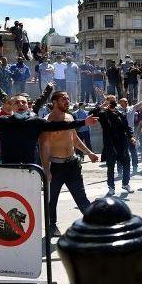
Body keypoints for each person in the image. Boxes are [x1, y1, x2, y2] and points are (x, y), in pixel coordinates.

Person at [0, 94, 98, 164]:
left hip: (30, 169)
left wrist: (83, 122)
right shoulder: (2, 121)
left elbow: (58, 125)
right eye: (16, 103)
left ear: (28, 106)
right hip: (9, 168)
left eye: (23, 102)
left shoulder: (35, 122)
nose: (20, 104)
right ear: (11, 107)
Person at [39, 91, 98, 237]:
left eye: (67, 98)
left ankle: (94, 225)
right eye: (63, 99)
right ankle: (52, 226)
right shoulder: (46, 122)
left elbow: (75, 139)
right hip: (55, 167)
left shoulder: (70, 117)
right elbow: (44, 148)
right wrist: (46, 170)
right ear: (54, 102)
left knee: (81, 198)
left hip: (72, 164)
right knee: (52, 200)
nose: (67, 100)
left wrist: (88, 152)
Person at [90, 95, 136, 196]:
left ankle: (125, 184)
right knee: (110, 167)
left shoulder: (120, 113)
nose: (113, 103)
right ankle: (111, 187)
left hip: (122, 144)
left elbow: (126, 127)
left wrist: (131, 137)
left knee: (127, 164)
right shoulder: (103, 114)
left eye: (114, 101)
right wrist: (103, 105)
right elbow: (91, 114)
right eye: (111, 101)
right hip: (110, 145)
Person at [116, 92, 142, 173]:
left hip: (130, 134)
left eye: (127, 101)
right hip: (120, 134)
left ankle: (135, 167)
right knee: (121, 152)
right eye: (124, 101)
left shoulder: (132, 108)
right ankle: (119, 169)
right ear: (120, 103)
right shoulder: (116, 109)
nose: (126, 102)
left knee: (133, 151)